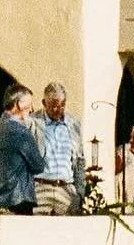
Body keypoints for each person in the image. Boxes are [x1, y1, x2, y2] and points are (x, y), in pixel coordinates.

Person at [0, 84, 46, 216]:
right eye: (29, 104)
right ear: (19, 104)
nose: (31, 109)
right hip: (19, 199)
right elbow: (38, 166)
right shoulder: (21, 132)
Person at [33, 81, 87, 215]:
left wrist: (80, 192)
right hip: (40, 188)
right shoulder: (33, 123)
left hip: (66, 189)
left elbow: (80, 160)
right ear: (44, 103)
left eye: (62, 105)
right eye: (54, 106)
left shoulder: (73, 124)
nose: (59, 109)